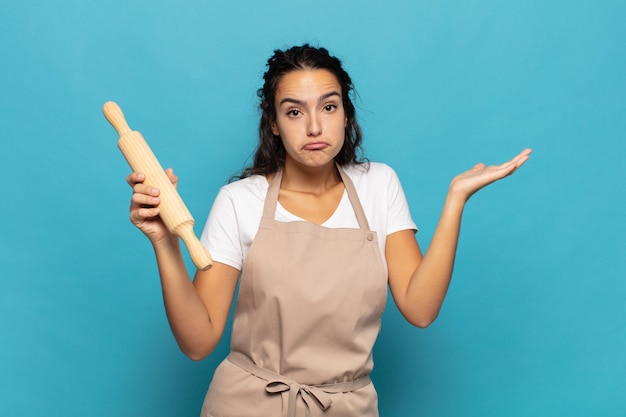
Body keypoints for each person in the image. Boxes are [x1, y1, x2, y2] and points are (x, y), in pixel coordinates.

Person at [126, 44, 531, 417]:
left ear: (346, 115)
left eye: (329, 107)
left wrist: (455, 199)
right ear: (274, 124)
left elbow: (420, 309)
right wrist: (164, 242)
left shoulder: (379, 185)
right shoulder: (239, 201)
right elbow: (198, 342)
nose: (315, 127)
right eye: (295, 111)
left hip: (346, 407)